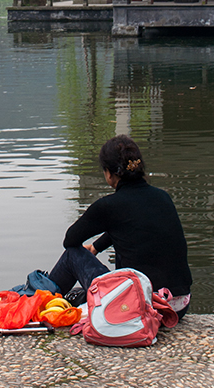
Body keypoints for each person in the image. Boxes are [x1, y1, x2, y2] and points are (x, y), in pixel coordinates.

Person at [48, 135, 192, 318]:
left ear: (109, 173)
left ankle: (42, 301)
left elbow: (71, 240)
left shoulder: (109, 206)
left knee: (72, 255)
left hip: (139, 308)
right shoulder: (163, 198)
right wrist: (96, 247)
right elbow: (129, 225)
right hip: (176, 308)